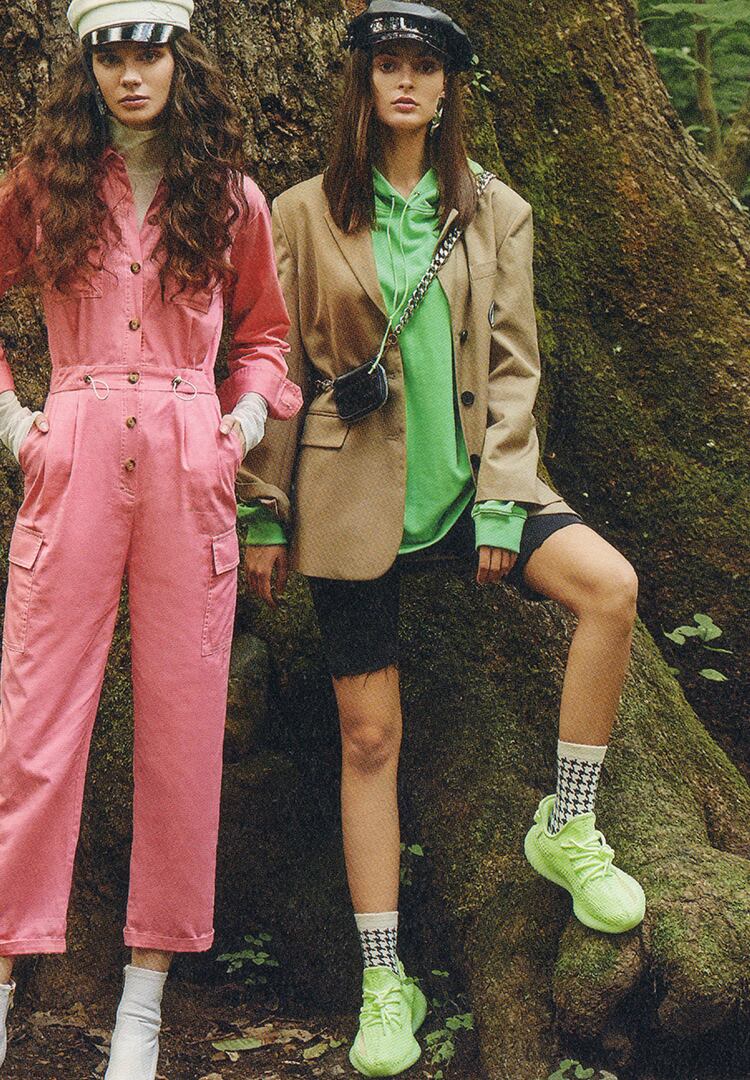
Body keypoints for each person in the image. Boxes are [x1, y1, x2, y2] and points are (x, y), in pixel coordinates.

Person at [240, 1, 645, 1075]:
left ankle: (567, 824)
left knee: (610, 588)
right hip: (345, 495)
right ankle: (386, 977)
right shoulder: (299, 213)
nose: (408, 82)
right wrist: (261, 508)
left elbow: (514, 366)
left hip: (473, 486)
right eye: (390, 65)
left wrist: (505, 503)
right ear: (364, 82)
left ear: (449, 85)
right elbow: (276, 366)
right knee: (369, 739)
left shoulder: (494, 209)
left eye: (425, 66)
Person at [0, 1, 301, 1076]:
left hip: (187, 454)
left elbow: (265, 334)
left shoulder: (228, 195)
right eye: (112, 55)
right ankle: (3, 977)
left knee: (182, 730)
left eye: (150, 52)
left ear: (180, 58)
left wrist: (241, 424)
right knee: (35, 727)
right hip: (75, 447)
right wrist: (16, 425)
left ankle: (143, 1005)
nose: (132, 73)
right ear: (88, 66)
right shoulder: (44, 186)